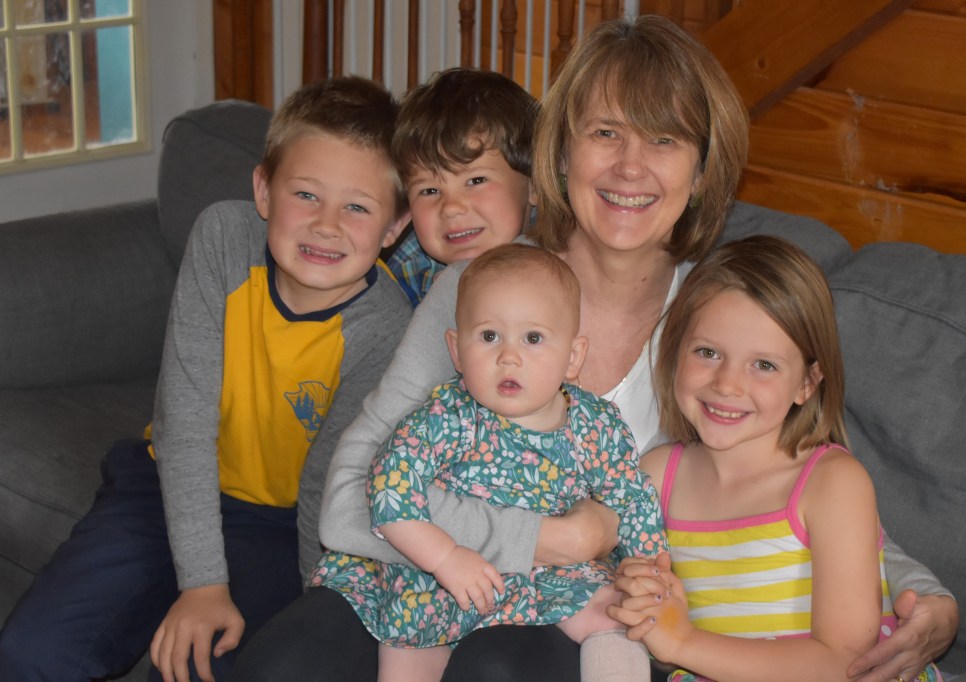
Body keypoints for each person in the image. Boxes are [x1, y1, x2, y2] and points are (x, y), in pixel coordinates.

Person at [230, 15, 957, 682]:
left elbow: (793, 487)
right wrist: (547, 538)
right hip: (417, 575)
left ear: (703, 171)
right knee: (283, 665)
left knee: (498, 668)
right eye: (606, 132)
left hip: (581, 615)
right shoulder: (483, 288)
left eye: (664, 140)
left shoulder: (717, 325)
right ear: (562, 151)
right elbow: (348, 504)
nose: (629, 167)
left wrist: (927, 595)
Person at [0, 76, 412, 682]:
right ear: (264, 191)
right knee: (32, 651)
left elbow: (328, 483)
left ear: (394, 228)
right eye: (306, 194)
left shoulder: (386, 327)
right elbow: (185, 422)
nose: (327, 225)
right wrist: (202, 583)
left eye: (357, 207)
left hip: (279, 525)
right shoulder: (224, 237)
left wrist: (314, 609)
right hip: (163, 482)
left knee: (198, 666)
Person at [310, 243, 666, 681]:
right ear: (457, 352)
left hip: (550, 575)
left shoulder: (595, 423)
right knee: (407, 650)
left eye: (533, 338)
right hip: (441, 582)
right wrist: (443, 556)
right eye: (489, 336)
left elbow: (631, 496)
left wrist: (650, 566)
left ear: (573, 357)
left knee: (615, 615)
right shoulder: (447, 417)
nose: (508, 356)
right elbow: (389, 487)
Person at [607, 236, 943, 682]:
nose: (727, 384)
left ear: (807, 383)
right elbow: (662, 639)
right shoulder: (653, 476)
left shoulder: (832, 483)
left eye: (763, 365)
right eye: (708, 352)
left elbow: (845, 662)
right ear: (674, 352)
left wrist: (684, 642)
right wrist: (651, 613)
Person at [385, 67, 537, 306]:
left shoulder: (569, 257)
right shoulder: (406, 275)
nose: (451, 207)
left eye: (475, 181)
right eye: (430, 191)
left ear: (535, 186)